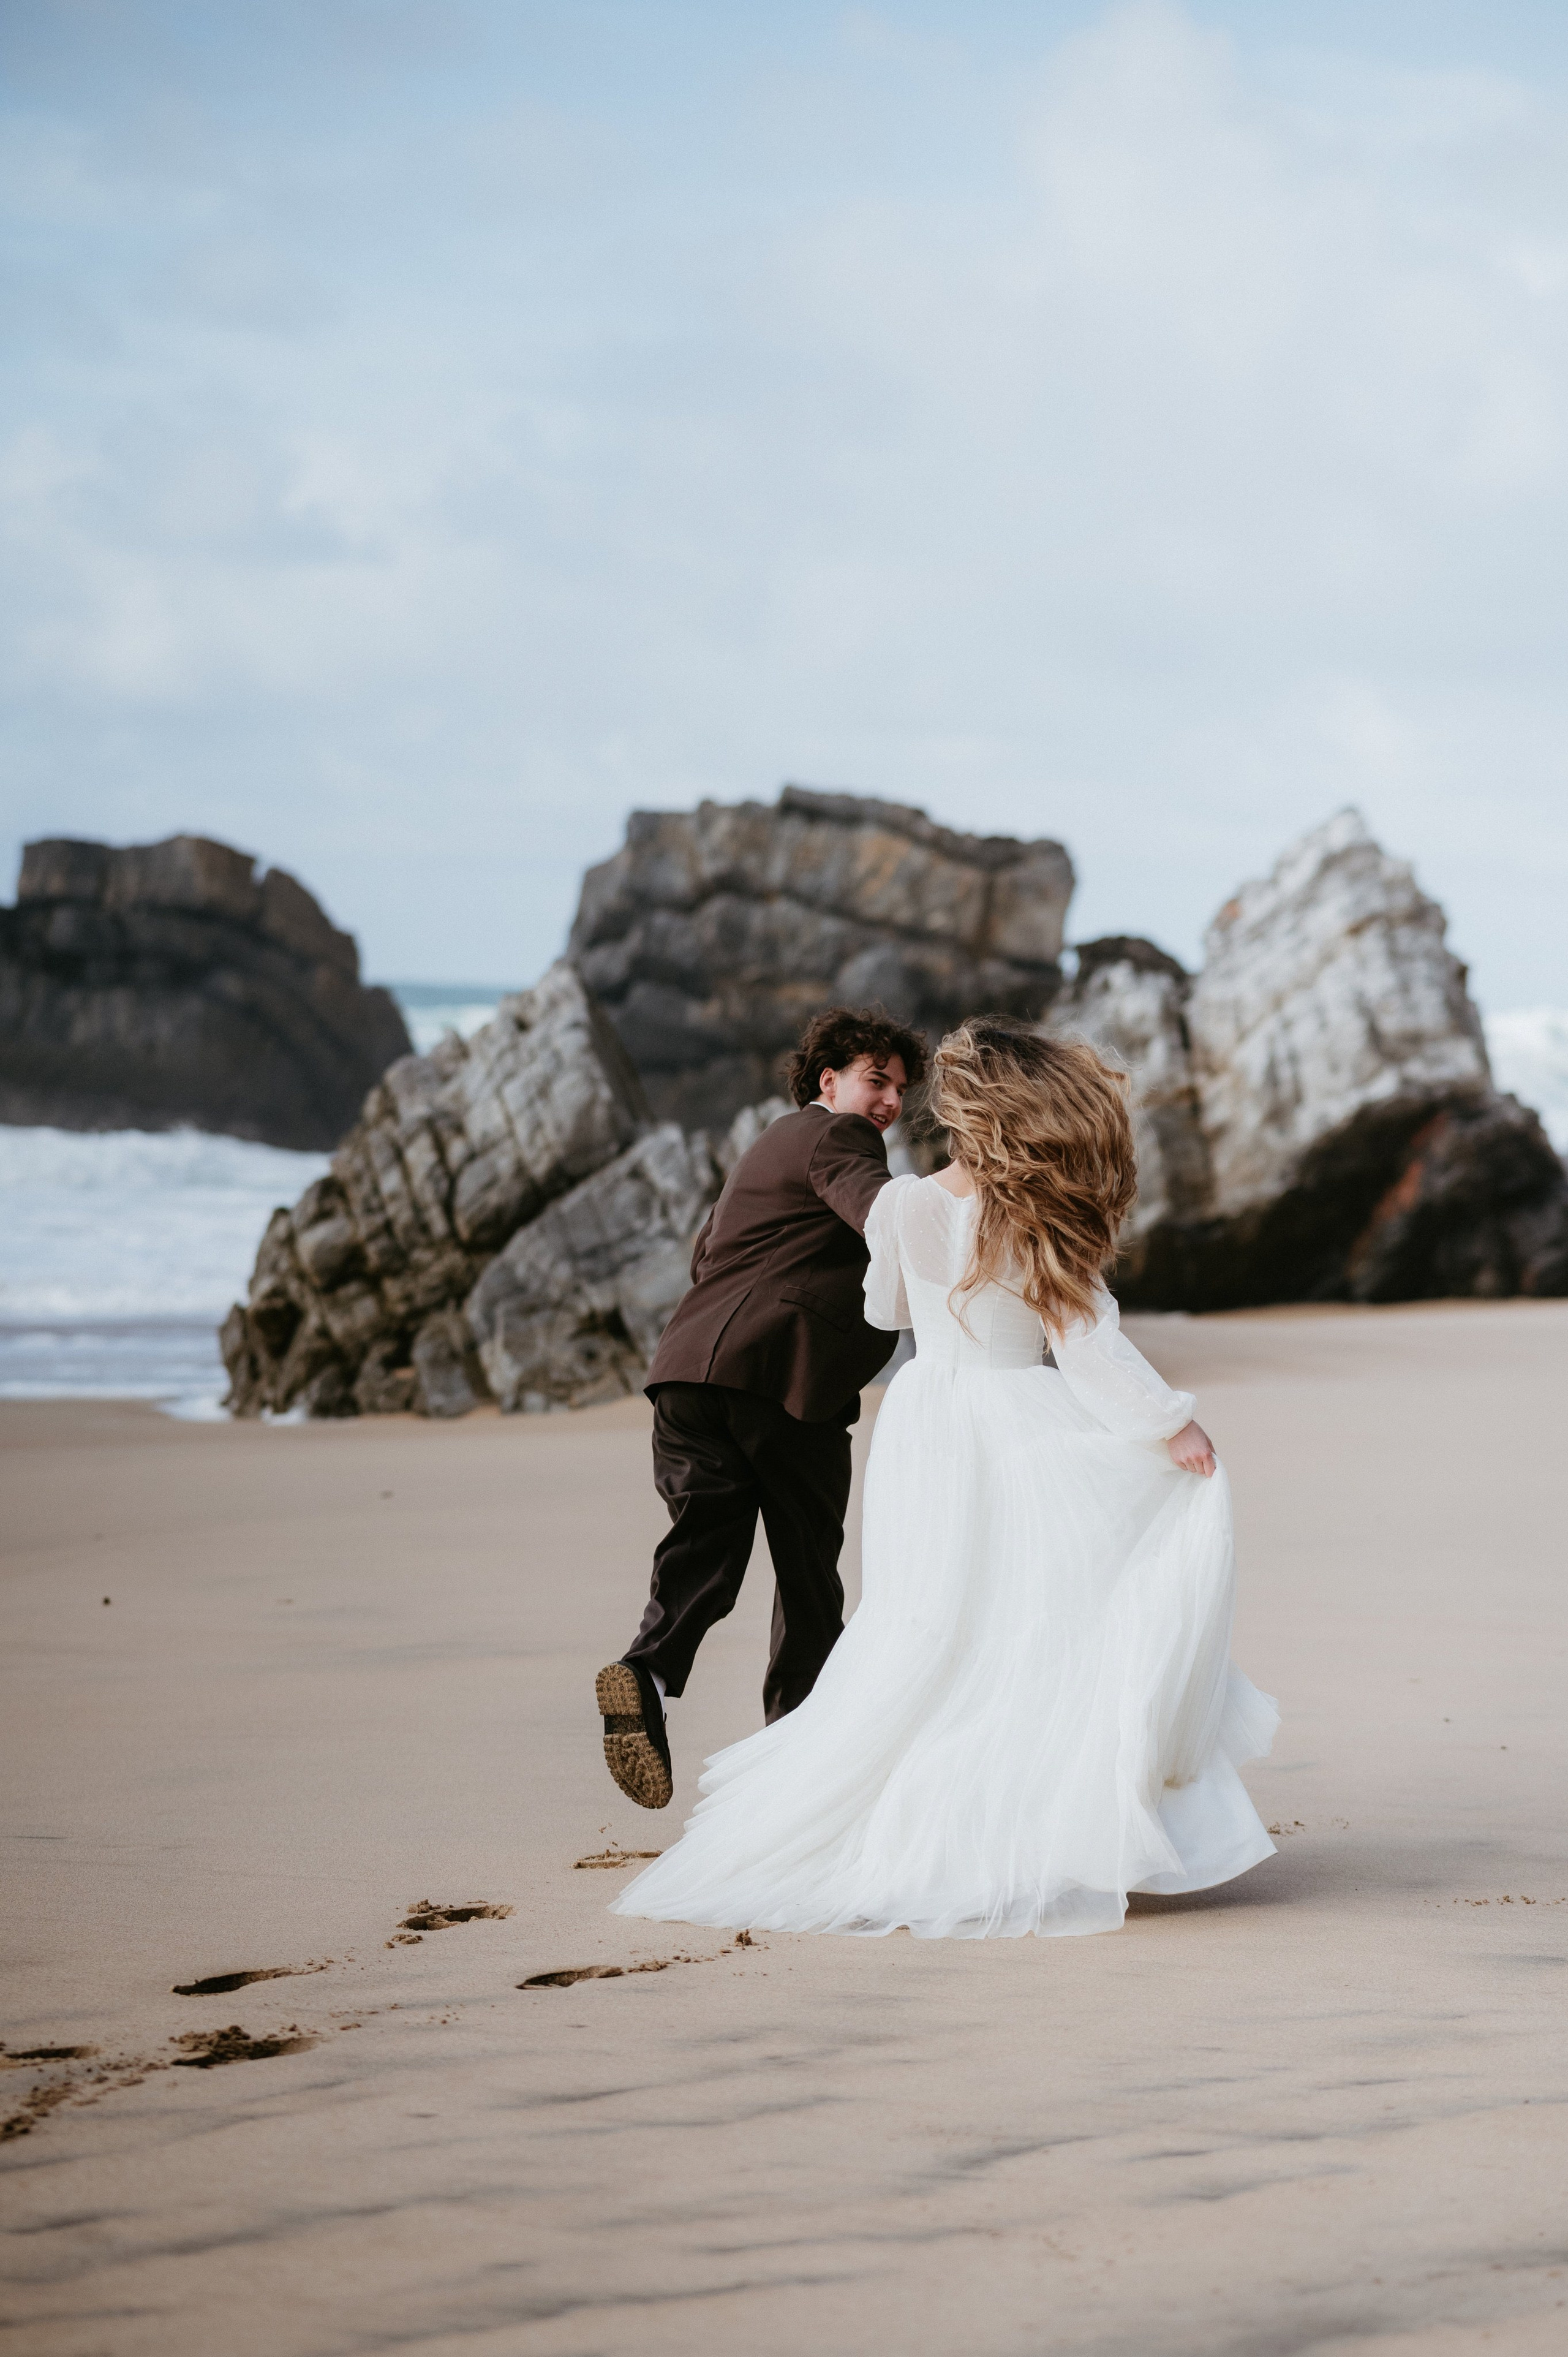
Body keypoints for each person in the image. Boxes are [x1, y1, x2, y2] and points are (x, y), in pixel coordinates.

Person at [610, 1015, 1278, 1939]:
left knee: (922, 1624)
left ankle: (800, 1766)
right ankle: (1046, 1822)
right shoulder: (1032, 1214)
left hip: (925, 1420)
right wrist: (1172, 1425)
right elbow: (1086, 1346)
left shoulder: (907, 1204)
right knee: (1035, 1623)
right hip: (1012, 1416)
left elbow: (886, 1308)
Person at [596, 1005, 929, 1810]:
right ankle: (797, 1757)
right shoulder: (841, 1138)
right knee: (809, 1579)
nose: (888, 1102)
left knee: (703, 1552)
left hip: (686, 1377)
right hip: (785, 1385)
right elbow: (878, 1216)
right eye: (875, 1081)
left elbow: (707, 1250)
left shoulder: (764, 1148)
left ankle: (645, 1675)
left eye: (899, 1091)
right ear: (830, 1080)